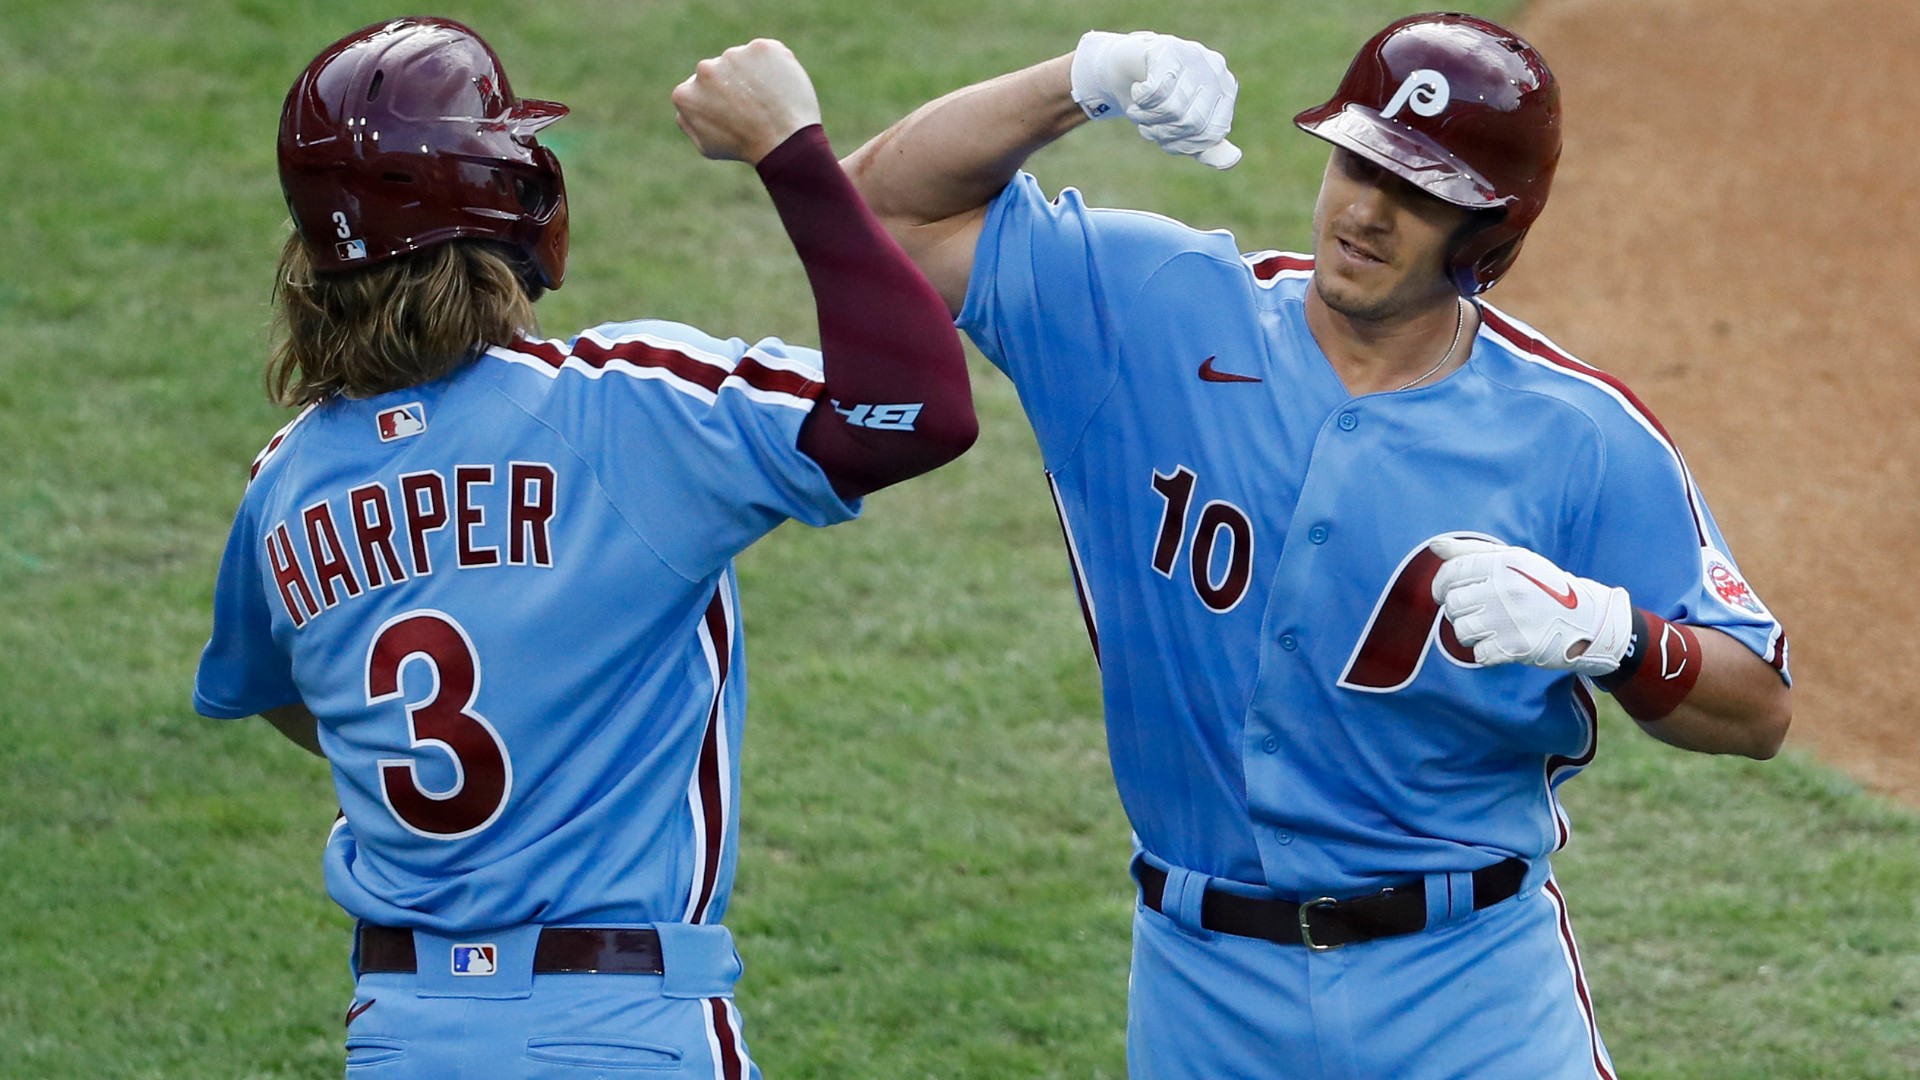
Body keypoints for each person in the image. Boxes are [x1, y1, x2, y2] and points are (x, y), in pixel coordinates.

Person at [846, 12, 1791, 1078]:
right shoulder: (1156, 314)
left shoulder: (1577, 438)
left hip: (1468, 998)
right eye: (1359, 163)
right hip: (1200, 991)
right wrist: (1084, 76)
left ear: (1491, 233)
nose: (1369, 213)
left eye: (1423, 193)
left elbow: (1756, 705)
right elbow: (875, 209)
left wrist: (1613, 633)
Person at [192, 17, 973, 1079]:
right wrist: (791, 149)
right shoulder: (620, 409)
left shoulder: (284, 484)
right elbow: (916, 413)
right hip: (622, 1030)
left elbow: (285, 695)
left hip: (402, 1037)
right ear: (509, 200)